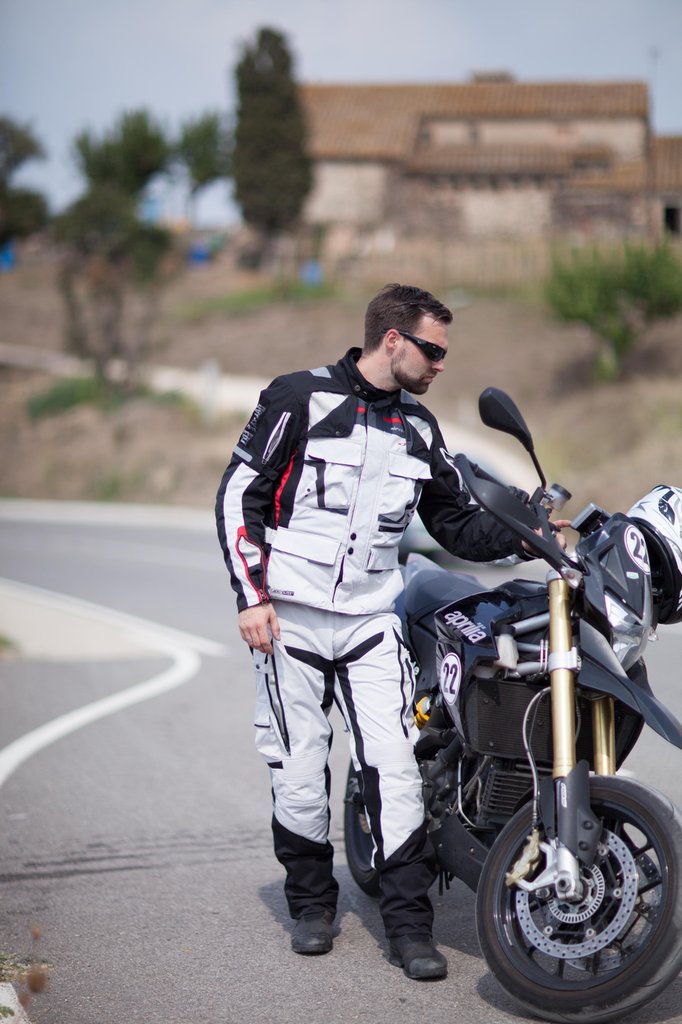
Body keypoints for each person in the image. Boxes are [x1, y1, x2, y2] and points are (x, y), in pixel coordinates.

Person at [215, 283, 539, 980]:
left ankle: (409, 928)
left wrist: (525, 535)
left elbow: (455, 522)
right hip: (290, 617)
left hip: (371, 618)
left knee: (394, 771)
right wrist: (252, 596)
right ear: (392, 340)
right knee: (300, 771)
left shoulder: (419, 427)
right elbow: (239, 496)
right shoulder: (297, 397)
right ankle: (311, 906)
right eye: (432, 350)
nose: (441, 364)